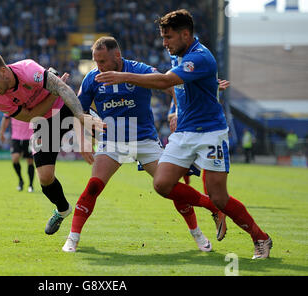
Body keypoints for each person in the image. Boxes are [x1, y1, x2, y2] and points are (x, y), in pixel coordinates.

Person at [95, 9, 272, 259]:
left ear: (185, 34)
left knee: (219, 196)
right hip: (184, 133)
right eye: (163, 37)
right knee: (162, 184)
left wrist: (123, 76)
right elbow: (179, 86)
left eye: (168, 37)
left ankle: (260, 238)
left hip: (210, 133)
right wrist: (178, 108)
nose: (164, 43)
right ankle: (212, 207)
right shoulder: (181, 55)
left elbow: (164, 82)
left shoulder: (199, 57)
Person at [62, 36, 227, 253]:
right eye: (96, 61)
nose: (98, 66)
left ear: (117, 57)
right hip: (113, 141)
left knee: (171, 189)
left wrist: (176, 111)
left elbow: (172, 86)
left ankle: (198, 233)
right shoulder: (92, 78)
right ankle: (73, 238)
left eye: (102, 61)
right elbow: (78, 110)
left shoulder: (139, 69)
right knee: (93, 186)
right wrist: (83, 141)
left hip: (145, 140)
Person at [0, 52, 105, 235]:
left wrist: (80, 117)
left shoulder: (27, 69)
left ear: (3, 71)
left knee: (109, 132)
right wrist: (53, 92)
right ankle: (62, 209)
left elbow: (64, 89)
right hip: (43, 122)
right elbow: (29, 116)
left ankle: (145, 152)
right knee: (45, 177)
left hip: (66, 107)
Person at [0, 114, 35, 192]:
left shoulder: (30, 103)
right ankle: (21, 180)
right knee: (15, 158)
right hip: (16, 137)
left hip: (30, 137)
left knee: (30, 161)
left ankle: (31, 185)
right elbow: (6, 118)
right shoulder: (12, 104)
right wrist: (1, 132)